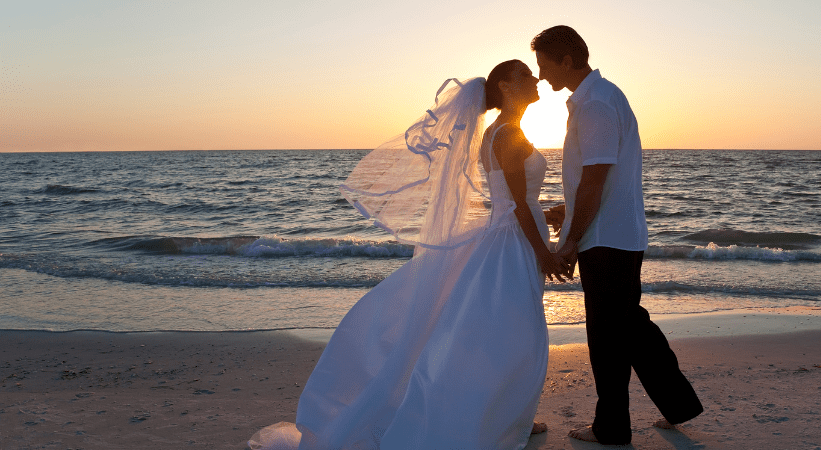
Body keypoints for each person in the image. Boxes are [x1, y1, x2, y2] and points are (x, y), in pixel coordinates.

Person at [247, 60, 566, 450]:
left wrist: (547, 214)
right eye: (524, 76)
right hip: (512, 244)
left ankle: (509, 415)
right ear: (504, 85)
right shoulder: (507, 135)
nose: (535, 80)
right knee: (514, 334)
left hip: (509, 238)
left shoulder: (503, 132)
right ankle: (497, 418)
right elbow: (516, 204)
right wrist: (545, 254)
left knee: (504, 332)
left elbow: (512, 201)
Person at [532, 25, 704, 445]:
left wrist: (571, 238)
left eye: (545, 64)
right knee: (631, 326)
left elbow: (595, 180)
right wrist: (568, 210)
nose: (542, 75)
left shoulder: (595, 104)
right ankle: (679, 404)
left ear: (567, 60)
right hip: (617, 231)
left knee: (608, 337)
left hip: (605, 238)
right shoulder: (600, 97)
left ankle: (611, 428)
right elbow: (596, 181)